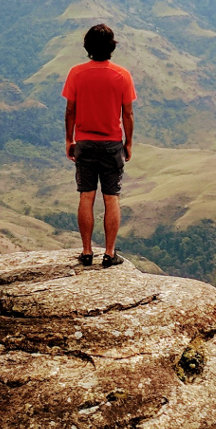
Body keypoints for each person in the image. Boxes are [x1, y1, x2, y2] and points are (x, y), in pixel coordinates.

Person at [62, 22, 135, 267]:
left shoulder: (76, 73)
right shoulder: (122, 75)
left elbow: (70, 110)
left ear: (88, 47)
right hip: (112, 143)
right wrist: (128, 143)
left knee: (86, 196)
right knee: (111, 197)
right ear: (111, 47)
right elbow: (128, 114)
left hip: (84, 141)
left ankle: (86, 251)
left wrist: (69, 139)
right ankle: (109, 253)